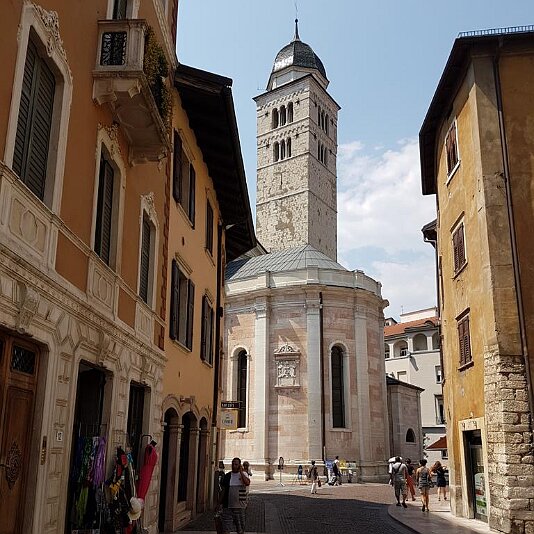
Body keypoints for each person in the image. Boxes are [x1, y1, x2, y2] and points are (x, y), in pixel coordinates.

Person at [218, 457, 250, 534]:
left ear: (239, 465)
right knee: (226, 529)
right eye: (233, 464)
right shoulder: (227, 476)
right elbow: (223, 490)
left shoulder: (244, 474)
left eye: (236, 464)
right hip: (227, 506)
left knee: (240, 529)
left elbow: (247, 483)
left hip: (239, 507)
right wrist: (219, 503)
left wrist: (241, 472)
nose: (234, 466)